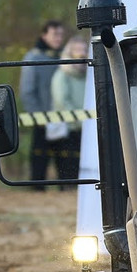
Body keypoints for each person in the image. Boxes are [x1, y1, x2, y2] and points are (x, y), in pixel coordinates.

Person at [20, 19, 66, 188]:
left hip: (65, 118)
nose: (58, 38)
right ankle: (37, 191)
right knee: (39, 160)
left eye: (60, 34)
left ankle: (66, 191)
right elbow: (27, 92)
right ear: (44, 35)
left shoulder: (65, 56)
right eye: (54, 34)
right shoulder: (33, 57)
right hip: (42, 119)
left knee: (66, 161)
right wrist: (39, 117)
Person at [48, 35, 89, 190]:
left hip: (87, 129)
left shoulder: (89, 76)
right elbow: (62, 101)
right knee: (68, 170)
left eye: (84, 49)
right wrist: (81, 120)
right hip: (68, 131)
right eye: (77, 50)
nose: (82, 53)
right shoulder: (62, 75)